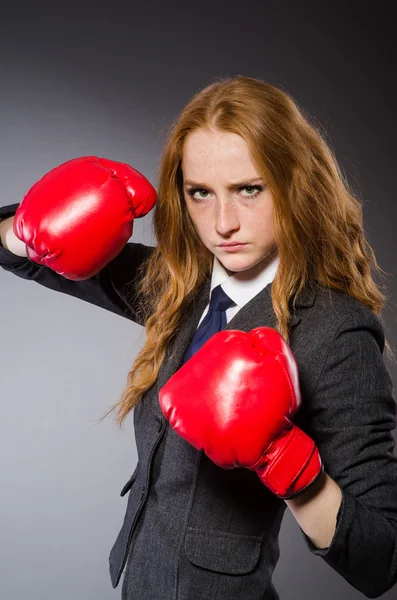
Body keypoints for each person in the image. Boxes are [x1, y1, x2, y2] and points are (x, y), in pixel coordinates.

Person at [1, 75, 397, 600]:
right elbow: (26, 259)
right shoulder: (178, 288)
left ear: (294, 184)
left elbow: (382, 558)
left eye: (249, 189)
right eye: (200, 193)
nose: (222, 223)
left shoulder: (332, 329)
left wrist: (285, 462)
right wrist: (30, 228)